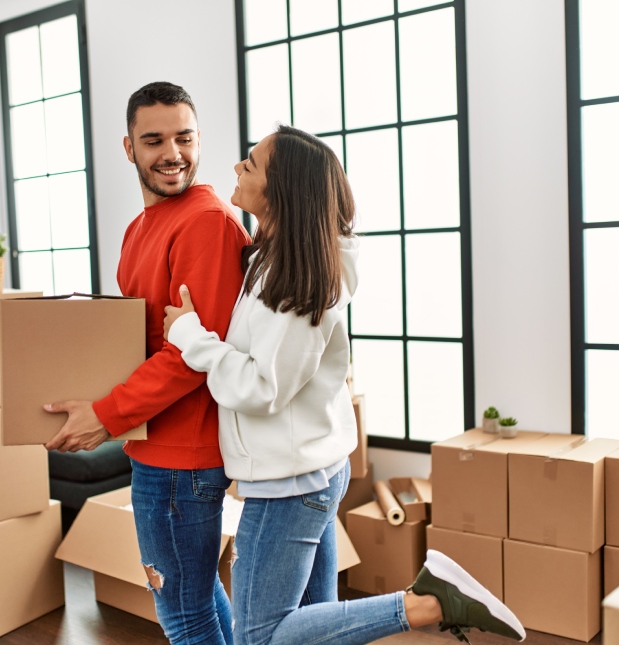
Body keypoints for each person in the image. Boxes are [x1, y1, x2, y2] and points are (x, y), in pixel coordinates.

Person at [162, 124, 525, 645]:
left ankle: (424, 603)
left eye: (252, 163)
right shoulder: (280, 262)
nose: (238, 168)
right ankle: (427, 601)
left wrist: (189, 335)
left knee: (261, 636)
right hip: (308, 470)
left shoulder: (296, 283)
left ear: (283, 190)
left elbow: (264, 388)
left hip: (290, 482)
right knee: (314, 625)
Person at [43, 81, 251, 645]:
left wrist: (105, 414)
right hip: (154, 446)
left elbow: (190, 355)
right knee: (197, 599)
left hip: (184, 456)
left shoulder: (206, 223)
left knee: (183, 613)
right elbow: (136, 339)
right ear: (129, 147)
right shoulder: (139, 229)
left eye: (184, 137)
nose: (172, 153)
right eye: (154, 139)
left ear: (200, 139)